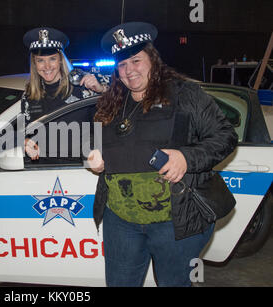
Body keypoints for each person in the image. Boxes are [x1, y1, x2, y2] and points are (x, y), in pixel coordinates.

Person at [87, 22, 238, 287]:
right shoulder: (110, 101)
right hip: (121, 220)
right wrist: (96, 162)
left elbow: (225, 136)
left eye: (136, 60)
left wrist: (186, 158)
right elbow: (99, 146)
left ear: (153, 60)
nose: (129, 70)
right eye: (122, 64)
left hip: (173, 221)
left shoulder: (184, 94)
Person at [21, 27, 107, 161]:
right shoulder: (29, 95)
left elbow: (116, 105)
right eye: (40, 60)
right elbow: (22, 131)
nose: (47, 66)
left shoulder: (82, 86)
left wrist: (101, 89)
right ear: (34, 64)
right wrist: (25, 141)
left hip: (81, 169)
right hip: (42, 171)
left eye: (52, 59)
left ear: (61, 60)